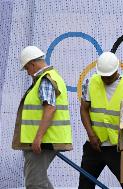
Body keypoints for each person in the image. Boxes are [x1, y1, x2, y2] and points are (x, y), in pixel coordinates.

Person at [12, 46, 72, 189]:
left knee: (35, 183)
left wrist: (38, 138)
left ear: (32, 64)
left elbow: (50, 109)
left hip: (43, 142)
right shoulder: (51, 77)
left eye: (27, 68)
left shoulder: (45, 80)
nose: (28, 72)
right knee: (39, 181)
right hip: (44, 140)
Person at [78, 52, 123, 189]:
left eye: (108, 75)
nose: (105, 78)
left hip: (117, 147)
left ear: (117, 69)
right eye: (103, 76)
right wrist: (91, 135)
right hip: (94, 145)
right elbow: (84, 109)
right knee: (85, 186)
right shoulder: (91, 82)